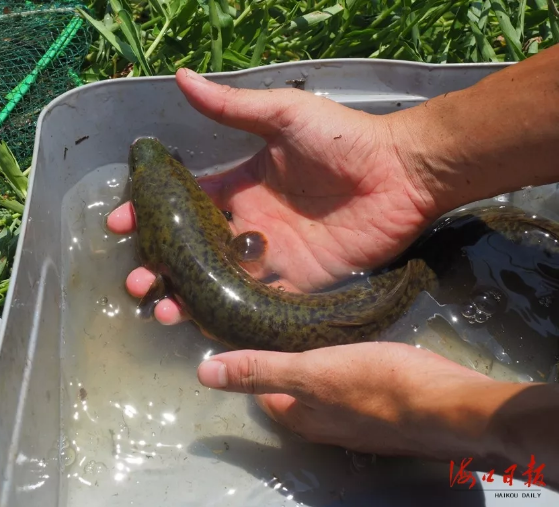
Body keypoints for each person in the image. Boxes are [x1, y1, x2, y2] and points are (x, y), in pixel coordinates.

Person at [107, 45, 559, 489]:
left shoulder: (170, 271)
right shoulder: (234, 246)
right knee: (430, 261)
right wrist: (406, 162)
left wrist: (429, 410)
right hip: (383, 299)